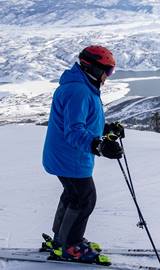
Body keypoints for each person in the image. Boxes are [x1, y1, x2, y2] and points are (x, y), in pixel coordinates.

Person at [42, 45, 124, 263]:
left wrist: (105, 130)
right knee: (85, 198)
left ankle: (61, 239)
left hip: (68, 155)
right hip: (70, 156)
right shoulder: (78, 90)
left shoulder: (83, 86)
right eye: (108, 71)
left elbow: (84, 121)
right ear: (95, 69)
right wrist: (98, 145)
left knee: (73, 195)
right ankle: (70, 246)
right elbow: (74, 130)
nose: (108, 76)